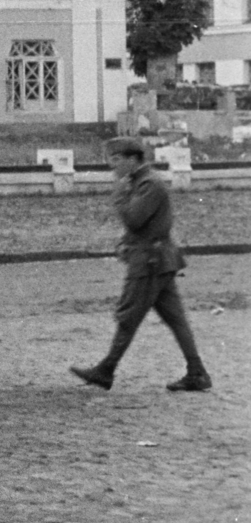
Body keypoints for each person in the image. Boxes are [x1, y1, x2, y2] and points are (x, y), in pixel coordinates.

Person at [71, 137, 211, 393]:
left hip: (149, 262)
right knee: (176, 319)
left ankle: (106, 370)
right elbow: (142, 225)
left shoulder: (149, 184)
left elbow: (135, 219)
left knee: (128, 317)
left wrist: (120, 195)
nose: (112, 165)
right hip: (156, 260)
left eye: (116, 159)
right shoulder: (143, 182)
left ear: (132, 159)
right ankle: (197, 372)